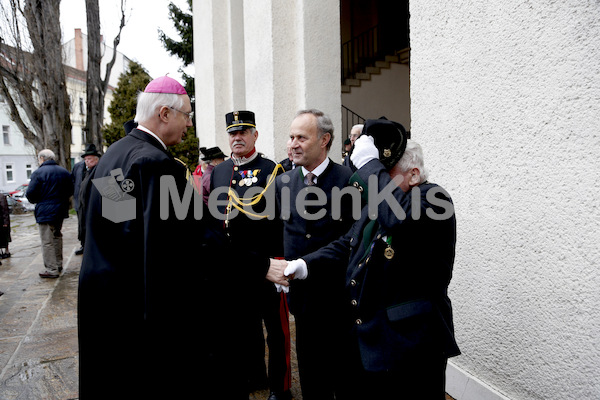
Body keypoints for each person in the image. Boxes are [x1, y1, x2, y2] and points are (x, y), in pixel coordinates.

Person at [78, 77, 289, 400]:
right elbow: (198, 239)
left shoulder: (115, 155)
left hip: (110, 303)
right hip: (142, 310)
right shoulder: (154, 164)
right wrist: (262, 266)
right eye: (187, 114)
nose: (190, 123)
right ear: (164, 113)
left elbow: (123, 230)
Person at [285, 117, 461, 399]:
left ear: (414, 174)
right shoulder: (381, 203)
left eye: (384, 173)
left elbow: (398, 218)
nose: (374, 182)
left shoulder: (433, 199)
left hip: (412, 344)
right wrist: (305, 265)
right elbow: (347, 243)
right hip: (374, 340)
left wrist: (369, 167)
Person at [275, 109, 357, 400]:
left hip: (339, 300)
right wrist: (276, 267)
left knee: (346, 379)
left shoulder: (349, 180)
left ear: (324, 140)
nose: (292, 144)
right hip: (303, 300)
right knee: (311, 379)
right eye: (291, 136)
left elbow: (353, 238)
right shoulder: (283, 182)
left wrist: (305, 264)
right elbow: (277, 231)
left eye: (301, 137)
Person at [210, 110, 291, 400]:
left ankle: (280, 388)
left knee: (276, 331)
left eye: (243, 132)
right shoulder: (219, 171)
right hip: (236, 266)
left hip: (267, 263)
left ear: (255, 135)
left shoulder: (271, 170)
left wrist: (281, 262)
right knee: (244, 327)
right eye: (233, 133)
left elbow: (282, 219)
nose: (237, 137)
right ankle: (253, 375)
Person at [25, 149, 74, 278]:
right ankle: (58, 264)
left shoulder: (38, 173)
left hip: (45, 210)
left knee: (47, 241)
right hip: (60, 209)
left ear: (42, 158)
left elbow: (31, 193)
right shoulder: (64, 172)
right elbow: (70, 189)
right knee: (57, 236)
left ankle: (51, 269)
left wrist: (37, 201)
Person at [71, 143, 101, 255]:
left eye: (89, 159)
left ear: (96, 159)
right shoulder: (81, 168)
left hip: (93, 207)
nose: (87, 161)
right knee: (82, 226)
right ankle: (84, 246)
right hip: (82, 205)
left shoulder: (100, 170)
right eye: (85, 159)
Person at [0, 193, 11, 259]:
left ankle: (7, 251)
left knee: (5, 237)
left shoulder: (1, 197)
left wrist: (6, 222)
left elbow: (5, 210)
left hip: (2, 221)